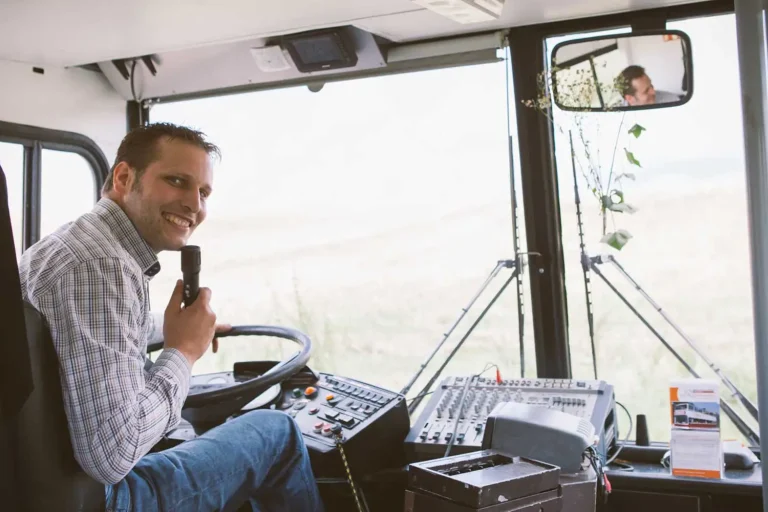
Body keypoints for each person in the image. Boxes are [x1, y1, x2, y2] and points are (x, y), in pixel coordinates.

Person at [17, 123, 324, 512]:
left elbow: (81, 337)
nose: (194, 205)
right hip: (109, 499)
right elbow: (113, 454)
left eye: (204, 192)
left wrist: (178, 329)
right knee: (277, 432)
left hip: (49, 484)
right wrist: (183, 351)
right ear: (125, 177)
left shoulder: (72, 244)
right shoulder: (101, 266)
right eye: (177, 181)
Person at [618, 65, 682, 106]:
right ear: (630, 98)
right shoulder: (618, 115)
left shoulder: (672, 101)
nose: (653, 92)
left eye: (651, 85)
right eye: (646, 91)